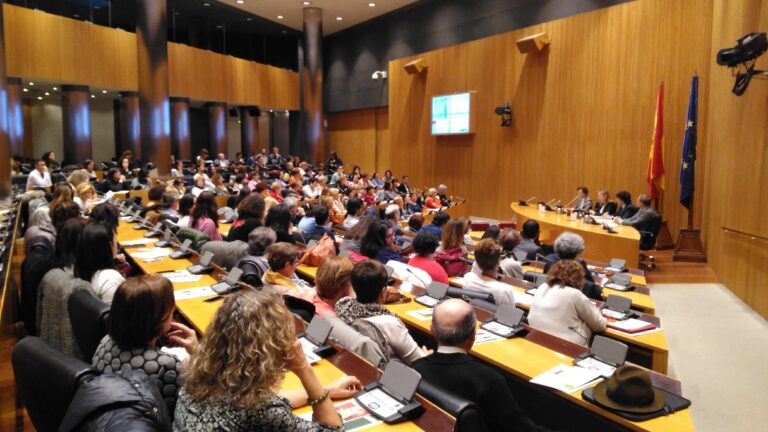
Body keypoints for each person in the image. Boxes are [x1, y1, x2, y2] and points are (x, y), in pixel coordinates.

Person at [174, 290, 362, 431]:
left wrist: (328, 391)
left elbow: (271, 399)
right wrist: (304, 368)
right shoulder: (260, 410)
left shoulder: (197, 375)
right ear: (271, 347)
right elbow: (333, 429)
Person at [413, 299, 553, 432]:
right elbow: (521, 428)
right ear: (473, 335)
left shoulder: (415, 370)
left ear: (432, 330)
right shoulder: (490, 380)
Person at [92, 275, 198, 412]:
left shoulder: (105, 340)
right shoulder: (166, 366)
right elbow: (185, 407)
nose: (173, 312)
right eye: (171, 310)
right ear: (158, 319)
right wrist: (197, 352)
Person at [335, 260, 428, 365]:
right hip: (391, 373)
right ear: (384, 292)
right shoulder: (390, 323)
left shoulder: (343, 305)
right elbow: (418, 361)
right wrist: (425, 354)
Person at [528, 260, 607, 345]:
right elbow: (599, 326)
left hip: (536, 337)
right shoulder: (574, 294)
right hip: (568, 345)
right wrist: (598, 313)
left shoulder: (542, 287)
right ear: (579, 277)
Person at [75, 223, 124, 303]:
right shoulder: (110, 279)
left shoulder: (81, 268)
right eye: (115, 241)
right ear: (109, 245)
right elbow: (112, 313)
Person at [462, 239, 516, 304]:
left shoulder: (467, 278)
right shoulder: (505, 291)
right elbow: (510, 314)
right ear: (498, 262)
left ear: (477, 262)